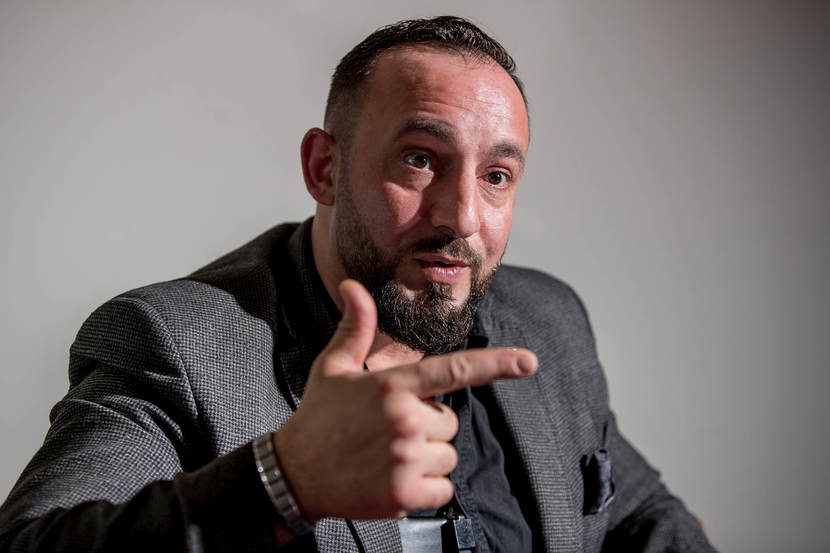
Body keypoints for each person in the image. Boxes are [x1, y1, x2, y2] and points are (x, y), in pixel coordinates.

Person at [0, 16, 716, 553]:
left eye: (497, 175)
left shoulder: (547, 318)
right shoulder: (177, 345)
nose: (463, 216)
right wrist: (283, 482)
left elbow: (638, 512)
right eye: (420, 159)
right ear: (325, 169)